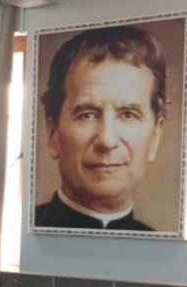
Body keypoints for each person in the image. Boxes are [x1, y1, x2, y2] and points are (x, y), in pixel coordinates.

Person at [35, 25, 166, 230]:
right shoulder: (19, 233)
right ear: (53, 135)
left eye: (128, 115)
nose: (107, 140)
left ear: (155, 137)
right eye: (87, 115)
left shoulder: (163, 253)